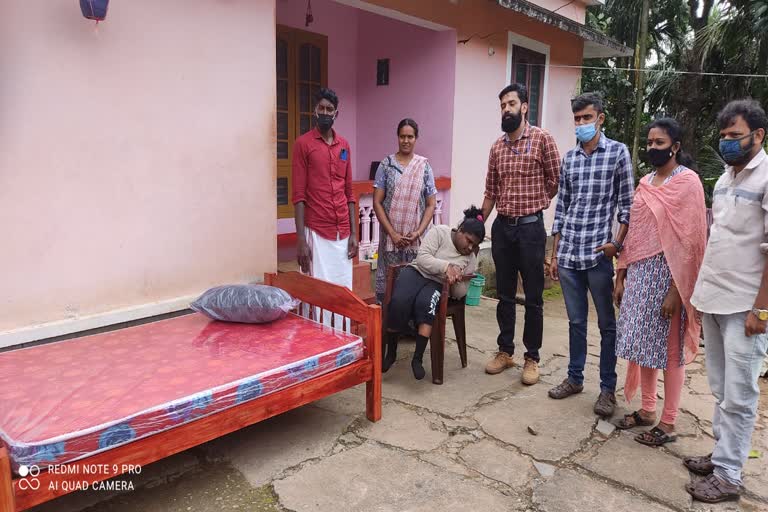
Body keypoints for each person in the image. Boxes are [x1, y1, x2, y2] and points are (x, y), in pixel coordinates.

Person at [685, 100, 768, 504]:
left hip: (746, 305)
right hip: (715, 297)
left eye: (735, 136)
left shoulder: (766, 177)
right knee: (719, 386)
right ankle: (722, 455)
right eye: (723, 136)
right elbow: (716, 241)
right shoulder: (722, 180)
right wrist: (700, 295)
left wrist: (762, 309)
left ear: (758, 135)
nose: (727, 143)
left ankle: (730, 474)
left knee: (739, 392)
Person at [613, 118, 707, 443]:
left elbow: (691, 242)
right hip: (639, 276)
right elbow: (635, 234)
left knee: (669, 353)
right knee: (642, 348)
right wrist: (621, 274)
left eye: (660, 143)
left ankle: (668, 423)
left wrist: (676, 292)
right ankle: (648, 409)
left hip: (670, 281)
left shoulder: (688, 183)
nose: (653, 148)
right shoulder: (645, 182)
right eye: (650, 142)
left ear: (676, 147)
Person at [547, 93, 635, 417]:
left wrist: (617, 245)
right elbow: (562, 207)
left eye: (587, 117)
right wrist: (555, 253)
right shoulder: (569, 158)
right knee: (575, 322)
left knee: (607, 325)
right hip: (569, 252)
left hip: (598, 255)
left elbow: (628, 206)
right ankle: (574, 378)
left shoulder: (617, 153)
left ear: (601, 118)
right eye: (577, 119)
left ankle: (608, 389)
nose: (582, 124)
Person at [481, 83, 561, 385]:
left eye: (511, 104)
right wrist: (478, 226)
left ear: (524, 107)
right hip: (503, 228)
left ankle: (532, 357)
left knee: (533, 297)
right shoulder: (497, 148)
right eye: (502, 105)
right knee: (504, 294)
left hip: (530, 229)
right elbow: (490, 191)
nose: (506, 110)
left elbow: (556, 179)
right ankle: (505, 350)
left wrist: (538, 202)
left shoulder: (542, 139)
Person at [384, 206, 485, 380]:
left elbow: (460, 294)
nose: (469, 247)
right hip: (417, 272)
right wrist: (446, 267)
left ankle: (417, 359)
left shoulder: (470, 258)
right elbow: (423, 258)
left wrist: (457, 281)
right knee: (399, 302)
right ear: (460, 230)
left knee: (426, 305)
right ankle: (391, 354)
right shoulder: (440, 232)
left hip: (437, 284)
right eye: (468, 241)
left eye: (474, 245)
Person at [292, 88, 358, 326]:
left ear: (336, 114)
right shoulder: (303, 144)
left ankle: (340, 343)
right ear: (314, 111)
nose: (325, 113)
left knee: (342, 292)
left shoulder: (344, 146)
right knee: (318, 294)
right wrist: (300, 239)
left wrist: (353, 234)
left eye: (330, 109)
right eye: (321, 108)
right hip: (317, 232)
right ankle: (318, 345)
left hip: (342, 234)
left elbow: (349, 192)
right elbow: (298, 195)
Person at [373, 119, 438, 303]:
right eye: (402, 136)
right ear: (397, 137)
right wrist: (392, 233)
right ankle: (388, 328)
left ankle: (409, 327)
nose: (406, 141)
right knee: (389, 286)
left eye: (410, 136)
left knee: (413, 285)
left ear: (416, 138)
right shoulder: (386, 165)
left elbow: (430, 204)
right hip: (390, 240)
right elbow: (377, 202)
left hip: (414, 241)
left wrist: (417, 232)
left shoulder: (424, 167)